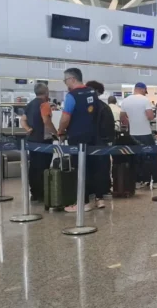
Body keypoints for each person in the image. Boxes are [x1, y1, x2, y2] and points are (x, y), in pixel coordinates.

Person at [57, 68, 99, 213]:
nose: (65, 83)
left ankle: (83, 202)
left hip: (77, 138)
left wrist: (61, 131)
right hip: (93, 137)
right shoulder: (93, 92)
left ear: (72, 79)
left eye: (65, 80)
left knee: (79, 169)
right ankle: (93, 200)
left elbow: (65, 118)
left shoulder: (71, 96)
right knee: (92, 168)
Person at [21, 83, 57, 201]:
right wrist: (57, 133)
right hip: (44, 141)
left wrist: (28, 129)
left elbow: (23, 120)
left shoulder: (30, 104)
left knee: (34, 167)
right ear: (46, 92)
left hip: (32, 140)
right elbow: (46, 121)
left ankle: (35, 193)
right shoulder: (44, 105)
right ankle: (42, 192)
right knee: (43, 167)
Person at [120, 82, 157, 189]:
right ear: (142, 90)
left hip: (133, 134)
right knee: (151, 157)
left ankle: (138, 181)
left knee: (136, 158)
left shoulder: (125, 101)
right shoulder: (145, 100)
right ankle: (154, 180)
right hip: (145, 133)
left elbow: (123, 119)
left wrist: (131, 122)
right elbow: (150, 116)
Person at [87, 81, 115, 207]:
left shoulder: (83, 107)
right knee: (101, 169)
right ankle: (100, 197)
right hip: (101, 143)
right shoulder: (104, 107)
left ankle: (87, 197)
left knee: (87, 168)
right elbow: (110, 127)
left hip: (86, 143)